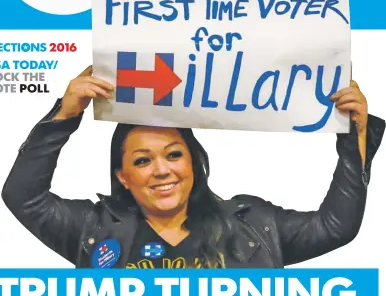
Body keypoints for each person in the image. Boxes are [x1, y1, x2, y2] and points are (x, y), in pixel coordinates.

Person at [2, 66, 385, 269]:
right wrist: (65, 115)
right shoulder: (91, 228)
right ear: (123, 177)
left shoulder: (254, 226)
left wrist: (356, 137)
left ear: (193, 163)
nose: (162, 170)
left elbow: (336, 228)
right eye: (141, 161)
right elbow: (22, 196)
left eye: (173, 154)